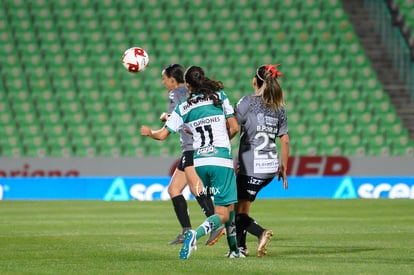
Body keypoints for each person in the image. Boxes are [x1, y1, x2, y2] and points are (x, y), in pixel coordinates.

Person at [141, 65, 243, 259]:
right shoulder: (219, 96)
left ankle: (234, 251)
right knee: (222, 213)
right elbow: (235, 127)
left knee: (227, 206)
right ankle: (194, 234)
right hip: (220, 159)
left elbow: (162, 135)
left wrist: (149, 133)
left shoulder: (184, 106)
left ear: (188, 85)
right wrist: (223, 139)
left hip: (199, 161)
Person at [158, 64, 225, 246]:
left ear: (173, 80)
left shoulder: (176, 93)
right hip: (194, 146)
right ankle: (187, 231)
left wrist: (165, 116)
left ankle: (216, 224)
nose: (163, 82)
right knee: (174, 189)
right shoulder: (191, 93)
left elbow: (176, 118)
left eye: (164, 78)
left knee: (196, 189)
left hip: (191, 147)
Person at [233, 64, 289, 257]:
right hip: (270, 168)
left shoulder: (248, 101)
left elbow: (231, 125)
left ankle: (260, 233)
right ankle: (241, 248)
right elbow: (285, 139)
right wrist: (284, 167)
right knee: (242, 207)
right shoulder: (278, 107)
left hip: (251, 166)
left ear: (256, 81)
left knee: (234, 212)